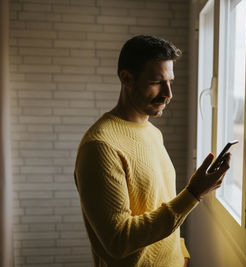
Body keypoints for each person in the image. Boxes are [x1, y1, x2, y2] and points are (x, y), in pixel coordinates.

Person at [74, 35, 231, 267]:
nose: (168, 93)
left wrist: (180, 253)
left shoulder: (153, 133)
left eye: (170, 81)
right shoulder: (100, 146)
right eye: (157, 82)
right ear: (127, 79)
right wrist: (192, 195)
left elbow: (158, 204)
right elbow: (118, 241)